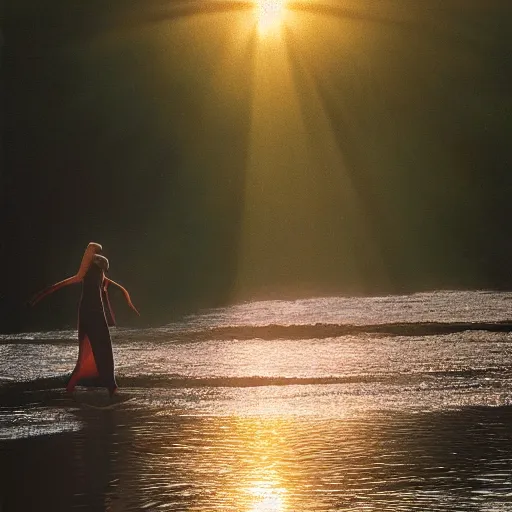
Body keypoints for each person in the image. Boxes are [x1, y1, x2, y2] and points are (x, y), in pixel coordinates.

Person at [29, 242, 139, 395]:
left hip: (92, 312)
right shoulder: (92, 272)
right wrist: (45, 292)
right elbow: (102, 286)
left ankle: (80, 388)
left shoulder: (96, 271)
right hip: (91, 312)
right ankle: (108, 388)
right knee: (100, 348)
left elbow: (106, 289)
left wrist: (45, 292)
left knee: (99, 348)